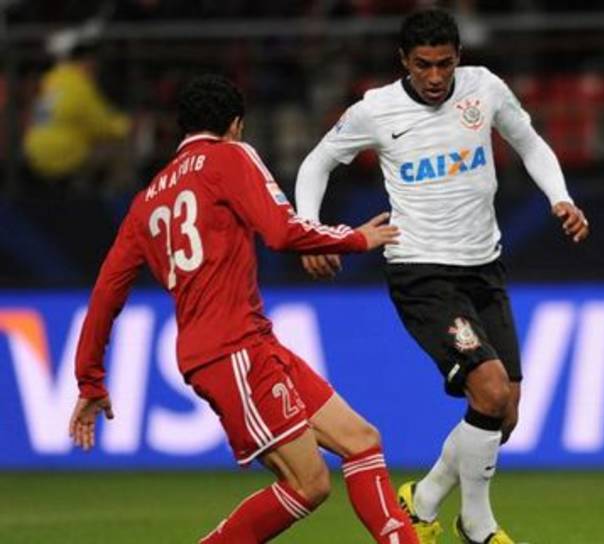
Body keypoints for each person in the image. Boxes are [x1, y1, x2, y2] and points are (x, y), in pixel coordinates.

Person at [69, 74, 419, 544]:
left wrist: (90, 379)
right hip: (231, 348)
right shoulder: (231, 155)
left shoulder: (146, 201)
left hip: (246, 343)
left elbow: (106, 293)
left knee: (360, 440)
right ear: (236, 124)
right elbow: (280, 231)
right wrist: (354, 238)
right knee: (308, 484)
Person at [294, 9, 589, 544]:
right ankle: (477, 526)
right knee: (490, 389)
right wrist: (311, 231)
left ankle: (423, 501)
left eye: (445, 64)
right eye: (423, 65)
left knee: (504, 414)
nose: (435, 76)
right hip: (422, 272)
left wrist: (560, 198)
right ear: (403, 61)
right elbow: (317, 163)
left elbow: (529, 142)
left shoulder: (484, 88)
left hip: (484, 267)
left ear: (459, 58)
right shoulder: (375, 109)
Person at [23, 26, 132, 193]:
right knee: (120, 149)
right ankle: (116, 202)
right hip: (60, 156)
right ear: (86, 62)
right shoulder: (80, 86)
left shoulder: (52, 78)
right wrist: (128, 124)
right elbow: (104, 126)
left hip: (34, 152)